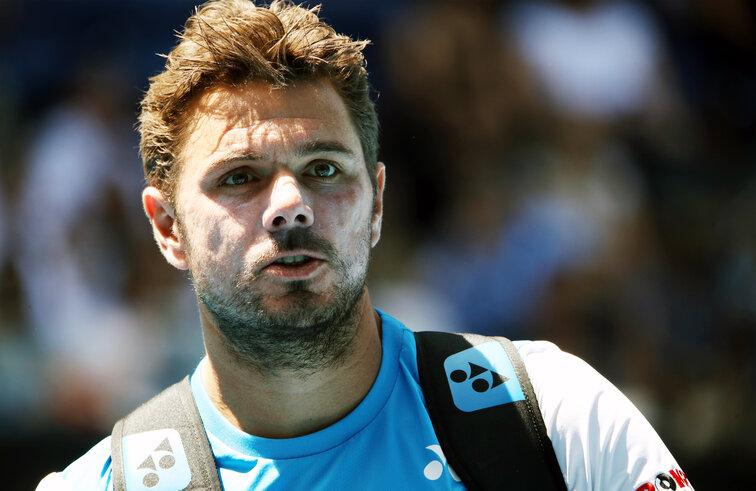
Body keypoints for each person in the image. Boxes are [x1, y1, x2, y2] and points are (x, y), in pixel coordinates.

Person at [37, 1, 693, 490]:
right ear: (166, 227)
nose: (291, 204)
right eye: (239, 177)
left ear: (377, 203)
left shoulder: (557, 415)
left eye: (323, 168)